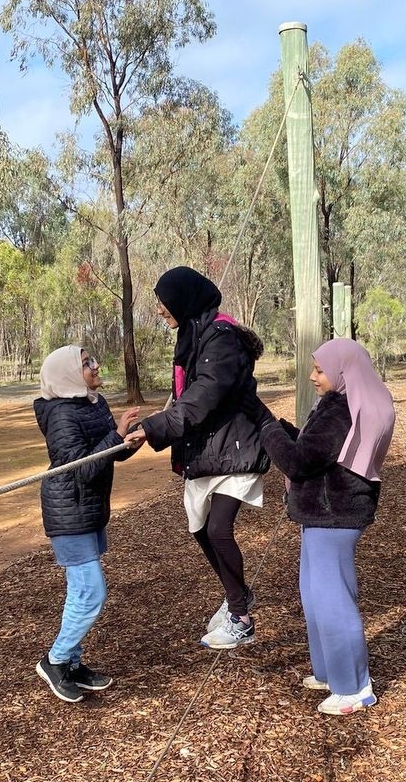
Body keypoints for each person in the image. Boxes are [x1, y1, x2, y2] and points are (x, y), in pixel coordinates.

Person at [245, 338, 395, 715]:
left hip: (334, 516)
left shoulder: (340, 411)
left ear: (342, 371)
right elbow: (313, 448)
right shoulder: (337, 405)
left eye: (319, 369)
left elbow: (299, 462)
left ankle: (355, 687)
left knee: (333, 600)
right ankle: (329, 671)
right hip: (321, 515)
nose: (313, 376)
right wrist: (277, 426)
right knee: (314, 593)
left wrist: (267, 429)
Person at [127, 267, 270, 649]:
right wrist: (151, 427)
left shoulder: (221, 338)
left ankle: (241, 617)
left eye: (163, 301)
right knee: (200, 528)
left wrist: (157, 428)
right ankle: (237, 595)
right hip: (208, 449)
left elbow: (205, 393)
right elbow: (186, 393)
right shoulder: (195, 335)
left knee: (219, 529)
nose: (159, 309)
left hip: (235, 447)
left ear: (184, 299)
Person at [33, 345, 142, 703]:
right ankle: (56, 660)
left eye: (93, 359)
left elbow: (108, 451)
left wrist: (129, 439)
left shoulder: (92, 402)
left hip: (89, 509)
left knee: (80, 593)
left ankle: (73, 664)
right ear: (67, 374)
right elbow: (82, 468)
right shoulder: (63, 414)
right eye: (86, 363)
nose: (95, 366)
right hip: (69, 511)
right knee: (91, 592)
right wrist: (115, 437)